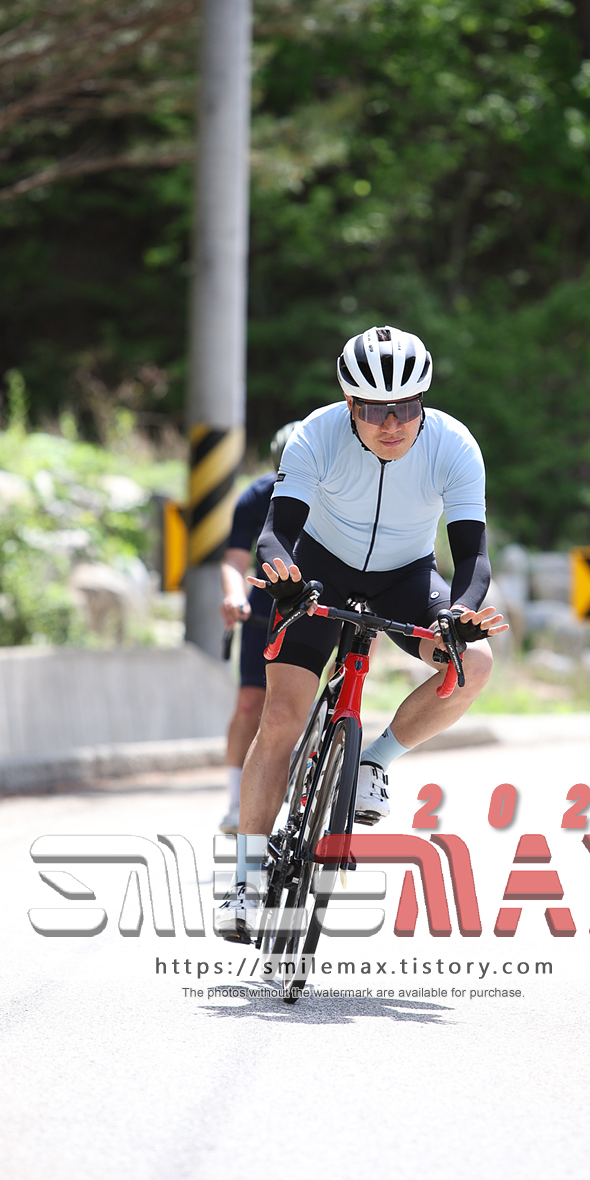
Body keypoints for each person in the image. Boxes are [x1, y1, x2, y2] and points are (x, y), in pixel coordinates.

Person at [218, 325, 508, 941]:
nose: (392, 423)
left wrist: (461, 612)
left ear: (423, 400)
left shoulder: (455, 446)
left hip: (407, 576)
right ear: (350, 403)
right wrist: (284, 576)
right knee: (281, 719)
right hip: (320, 570)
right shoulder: (315, 434)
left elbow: (472, 558)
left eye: (406, 406)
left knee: (475, 664)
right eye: (375, 410)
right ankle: (244, 881)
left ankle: (375, 760)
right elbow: (276, 533)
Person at [217, 422, 301, 833]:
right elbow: (235, 561)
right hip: (265, 609)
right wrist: (235, 597)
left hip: (319, 606)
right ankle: (236, 803)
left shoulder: (341, 493)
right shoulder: (256, 496)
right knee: (250, 704)